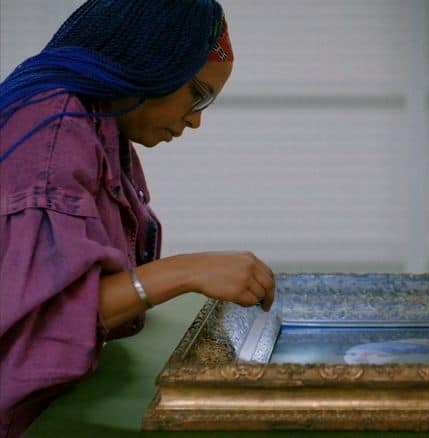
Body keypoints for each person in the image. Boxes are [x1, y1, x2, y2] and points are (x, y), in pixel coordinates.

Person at [0, 1, 275, 435]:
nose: (196, 120)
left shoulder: (95, 124)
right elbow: (44, 325)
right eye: (198, 94)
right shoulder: (54, 133)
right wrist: (186, 272)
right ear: (153, 62)